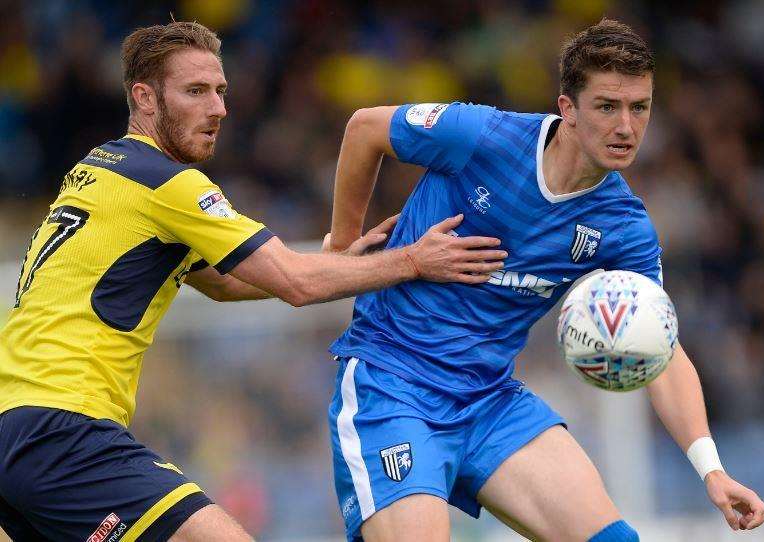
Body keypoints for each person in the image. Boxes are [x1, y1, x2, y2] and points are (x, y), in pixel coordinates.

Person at [0, 21, 508, 542]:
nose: (217, 109)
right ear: (144, 99)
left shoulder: (100, 170)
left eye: (221, 92)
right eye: (195, 92)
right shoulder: (165, 182)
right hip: (65, 427)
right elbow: (294, 282)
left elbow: (226, 283)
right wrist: (414, 261)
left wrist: (340, 261)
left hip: (13, 427)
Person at [326, 18, 764, 542]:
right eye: (607, 106)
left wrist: (712, 471)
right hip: (393, 384)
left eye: (640, 107)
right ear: (568, 109)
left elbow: (662, 350)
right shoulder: (484, 137)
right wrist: (341, 250)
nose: (626, 126)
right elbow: (365, 129)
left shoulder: (623, 226)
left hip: (488, 400)